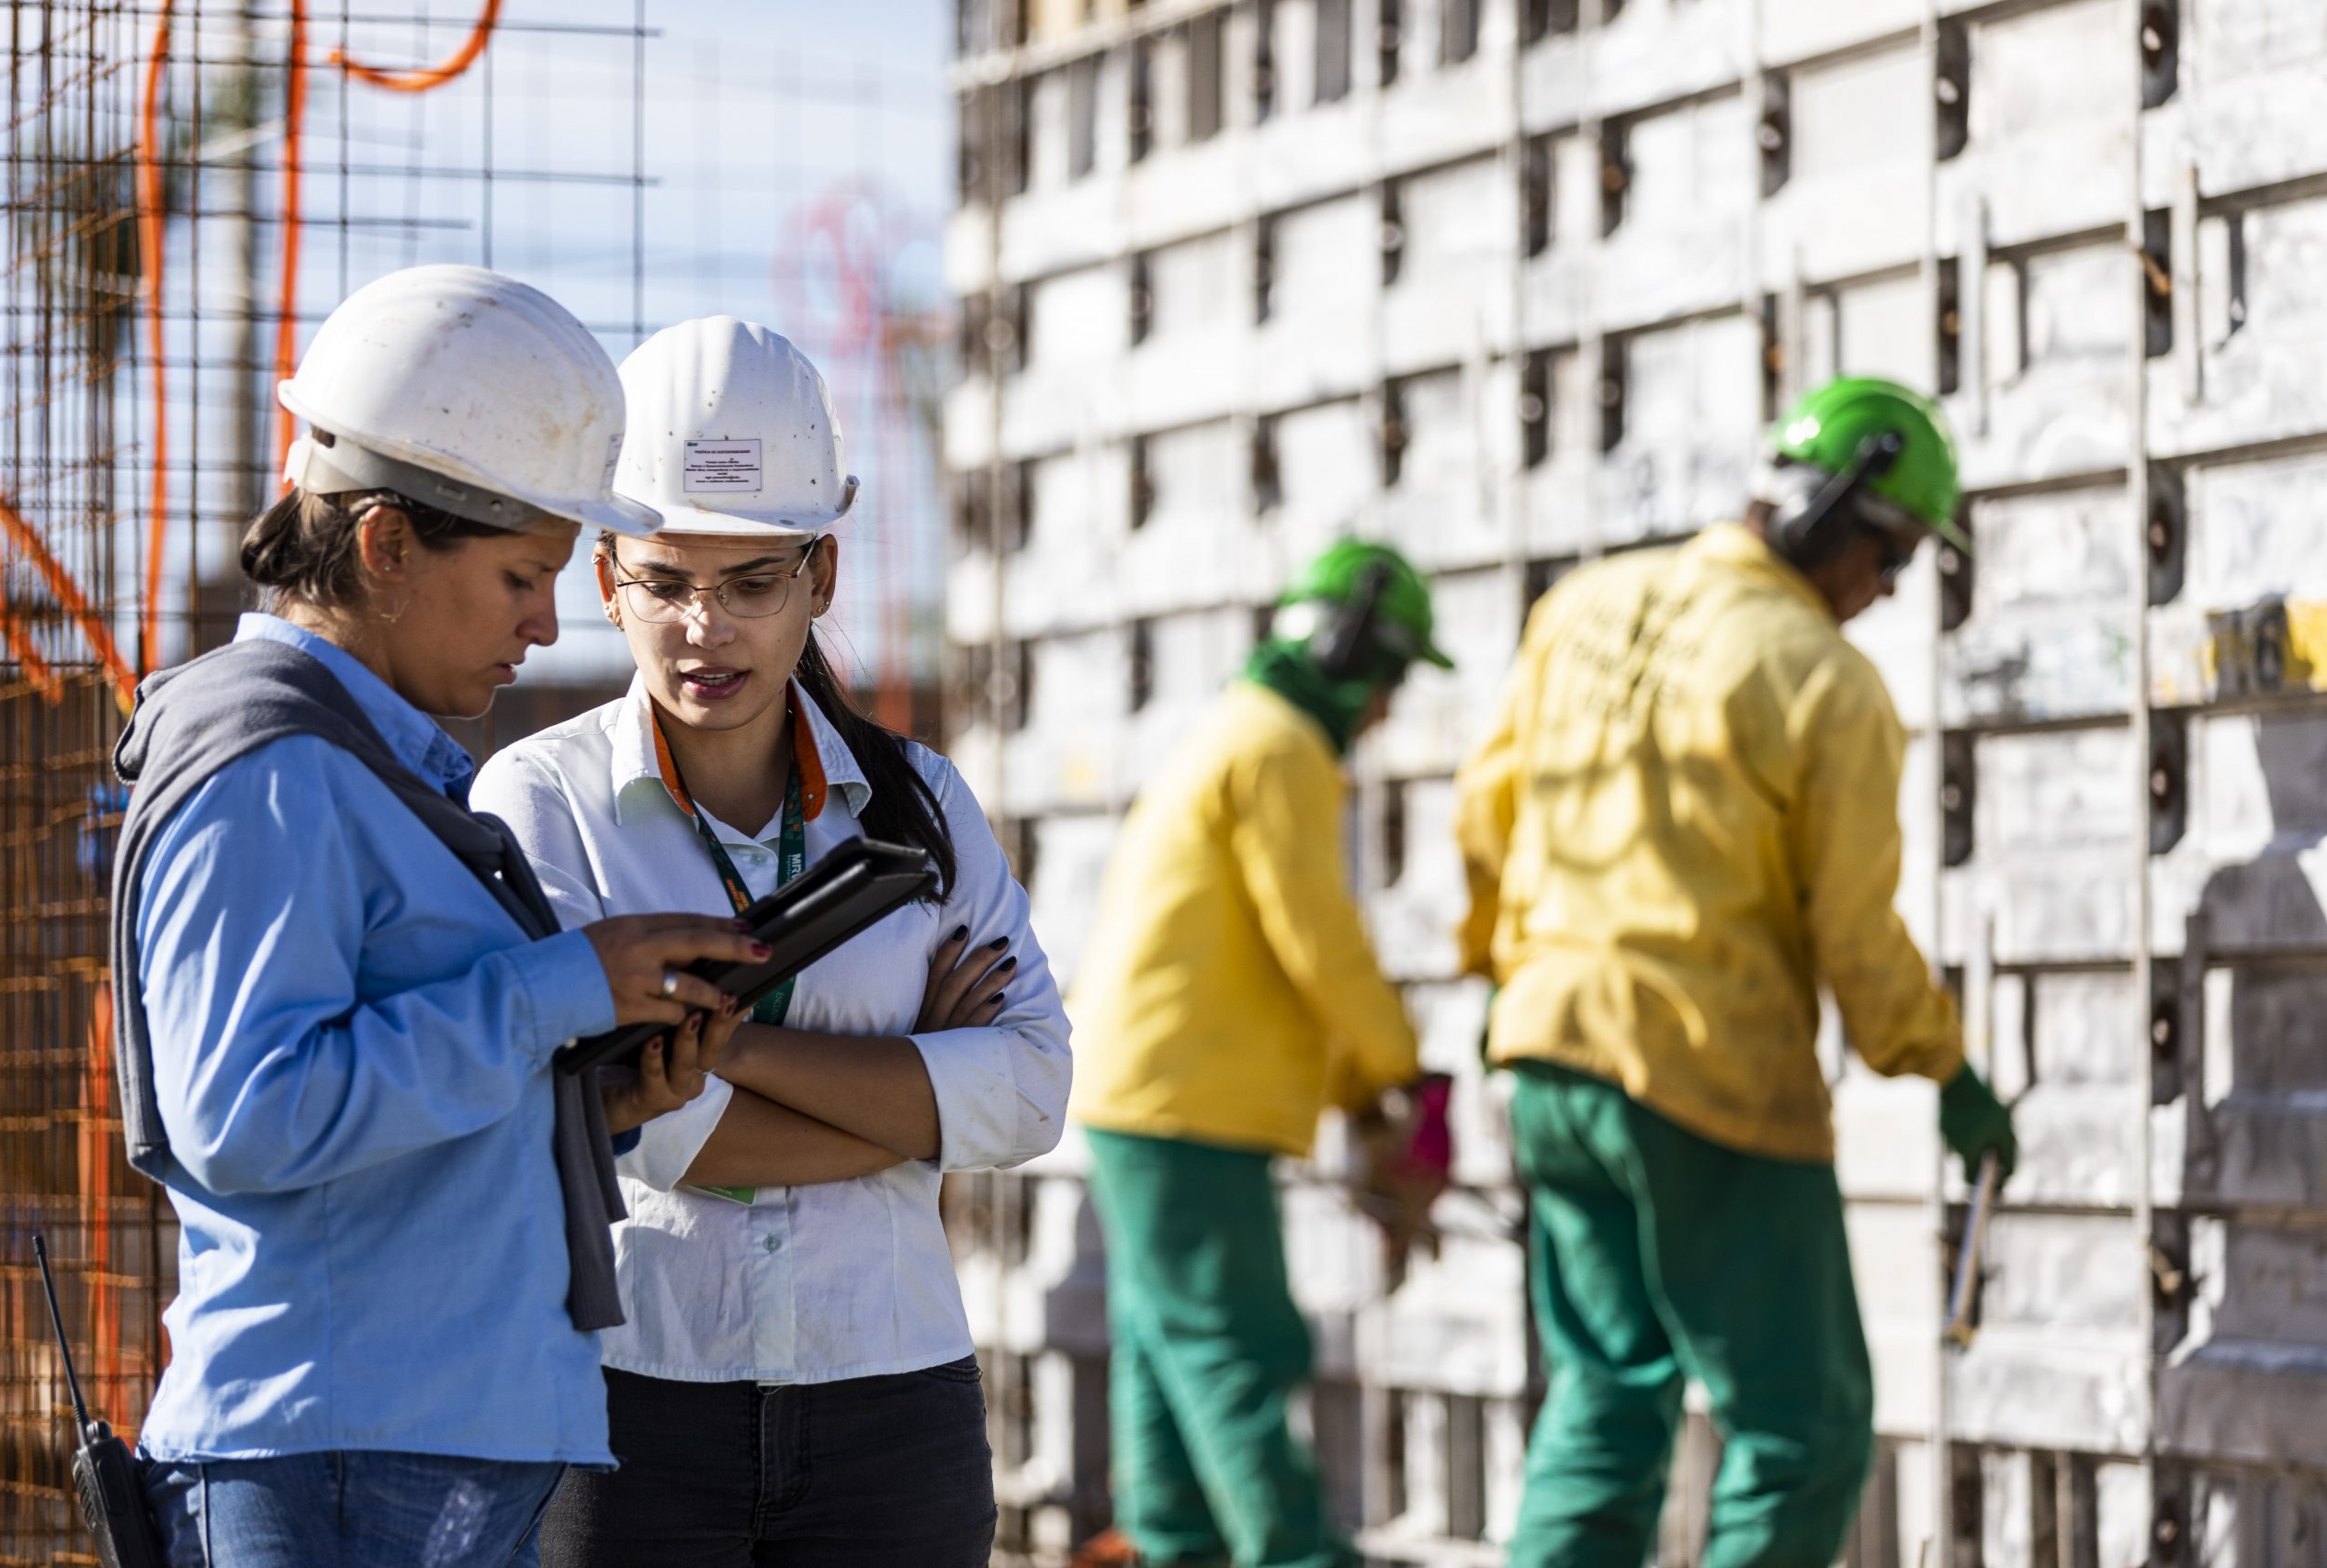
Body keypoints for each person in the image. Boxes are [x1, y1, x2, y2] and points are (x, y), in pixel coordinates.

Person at [117, 265, 768, 1566]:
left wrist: (586, 1101)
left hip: (404, 1454)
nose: (545, 621)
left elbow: (377, 1127)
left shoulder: (367, 766)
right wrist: (563, 989)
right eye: (524, 572)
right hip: (342, 1459)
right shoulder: (272, 769)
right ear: (386, 545)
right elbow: (248, 1113)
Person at [469, 316, 1071, 1568]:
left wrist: (715, 1045)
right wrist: (917, 1091)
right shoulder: (536, 805)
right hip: (627, 1397)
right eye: (669, 582)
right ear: (605, 581)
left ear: (822, 577)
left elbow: (1025, 1093)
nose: (708, 629)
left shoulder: (926, 800)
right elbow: (626, 1126)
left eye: (752, 582)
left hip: (893, 1396)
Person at [1454, 377, 2022, 1568]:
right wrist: (1945, 1064)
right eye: (1893, 553)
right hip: (1703, 1076)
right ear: (1834, 508)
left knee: (1606, 1399)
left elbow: (1487, 815)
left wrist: (1502, 973)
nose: (1888, 589)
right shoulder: (1824, 682)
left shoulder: (1583, 605)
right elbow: (1855, 935)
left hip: (1550, 1056)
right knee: (1803, 1424)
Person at [1066, 539, 1456, 1568]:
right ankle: (1295, 1553)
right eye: (1393, 680)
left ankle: (1170, 1542)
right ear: (1352, 653)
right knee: (1236, 1342)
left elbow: (1261, 962)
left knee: (1166, 1338)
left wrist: (1356, 1095)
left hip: (1145, 1088)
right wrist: (1402, 1077)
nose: (1385, 712)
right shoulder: (1282, 747)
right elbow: (1317, 937)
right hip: (1183, 1097)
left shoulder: (1237, 733)